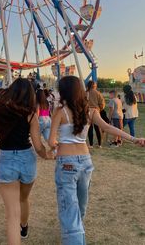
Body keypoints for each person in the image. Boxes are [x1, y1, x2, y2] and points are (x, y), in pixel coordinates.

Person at [48, 76, 145, 245]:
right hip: (85, 161)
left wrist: (56, 146)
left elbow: (50, 141)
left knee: (69, 208)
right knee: (81, 204)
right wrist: (133, 138)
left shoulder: (59, 111)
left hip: (66, 163)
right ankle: (76, 231)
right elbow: (107, 127)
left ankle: (74, 235)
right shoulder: (90, 110)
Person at [0, 78, 52, 244]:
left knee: (11, 214)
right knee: (23, 199)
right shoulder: (31, 115)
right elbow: (38, 146)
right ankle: (24, 226)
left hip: (6, 159)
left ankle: (20, 225)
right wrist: (47, 155)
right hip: (27, 159)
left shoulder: (0, 111)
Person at [86, 80, 105, 148]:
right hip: (96, 111)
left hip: (88, 111)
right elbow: (102, 104)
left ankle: (91, 144)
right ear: (94, 85)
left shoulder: (86, 93)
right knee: (97, 128)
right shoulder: (98, 93)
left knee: (90, 128)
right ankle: (99, 144)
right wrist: (100, 109)